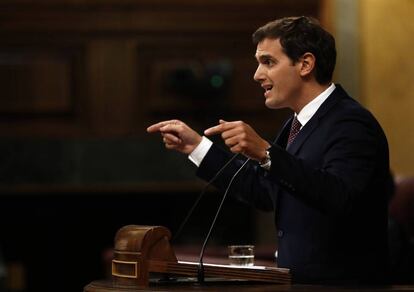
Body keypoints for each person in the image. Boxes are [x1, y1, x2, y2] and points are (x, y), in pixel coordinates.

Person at [147, 16, 393, 284]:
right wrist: (197, 147)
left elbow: (340, 196)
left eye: (268, 62)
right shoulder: (295, 124)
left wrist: (266, 152)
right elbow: (265, 192)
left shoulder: (351, 122)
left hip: (343, 286)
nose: (256, 75)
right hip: (299, 283)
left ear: (305, 64)